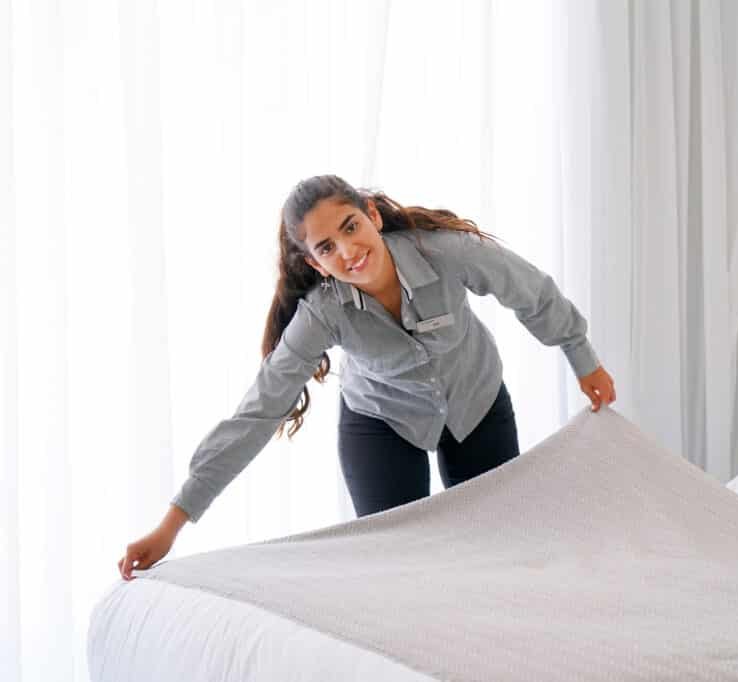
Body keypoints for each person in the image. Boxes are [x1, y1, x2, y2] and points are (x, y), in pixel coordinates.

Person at [118, 174, 616, 580]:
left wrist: (582, 356)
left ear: (373, 216)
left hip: (474, 400)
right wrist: (171, 526)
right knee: (396, 567)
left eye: (352, 227)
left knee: (498, 551)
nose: (349, 251)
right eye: (327, 248)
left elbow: (530, 292)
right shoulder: (321, 313)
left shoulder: (447, 253)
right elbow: (258, 412)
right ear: (316, 263)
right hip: (381, 421)